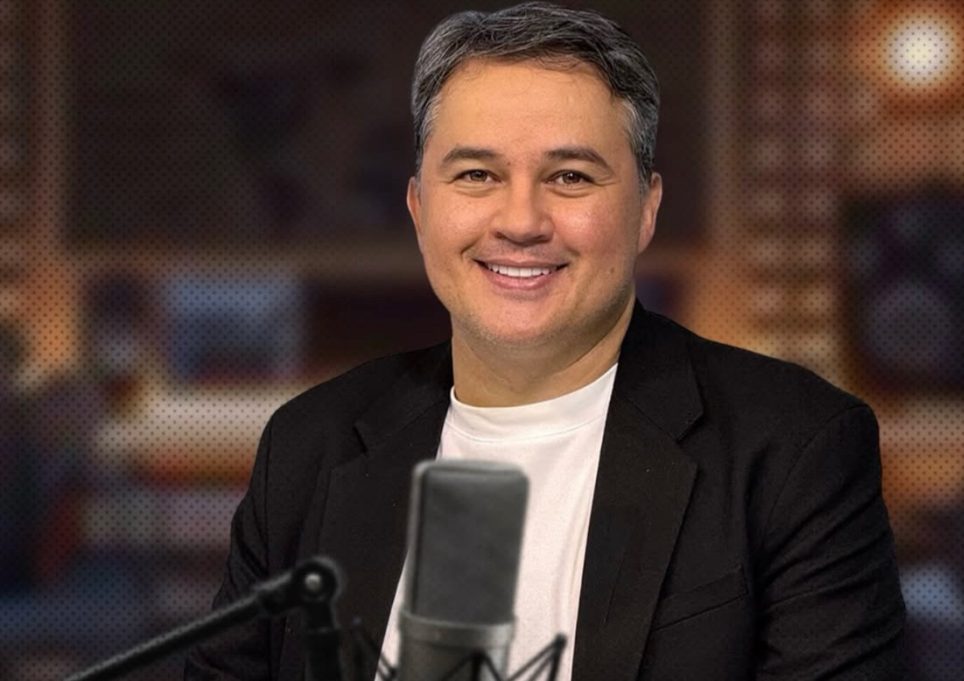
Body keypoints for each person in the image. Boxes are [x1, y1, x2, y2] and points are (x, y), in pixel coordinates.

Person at [186, 3, 905, 679]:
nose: (522, 221)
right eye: (477, 175)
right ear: (419, 208)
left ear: (646, 209)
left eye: (569, 176)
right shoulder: (309, 446)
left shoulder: (793, 450)